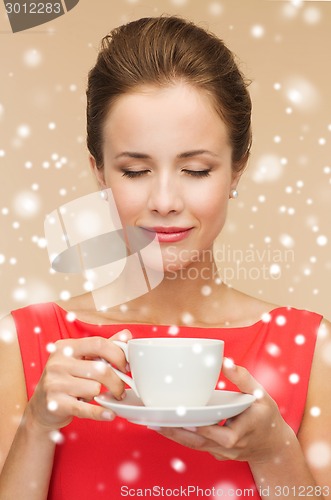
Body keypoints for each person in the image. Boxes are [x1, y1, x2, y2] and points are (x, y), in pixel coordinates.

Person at [0, 15, 330, 500]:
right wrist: (36, 424)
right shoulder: (28, 344)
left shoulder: (310, 348)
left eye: (196, 169)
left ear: (237, 168)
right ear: (99, 172)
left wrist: (273, 451)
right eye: (135, 170)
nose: (165, 200)